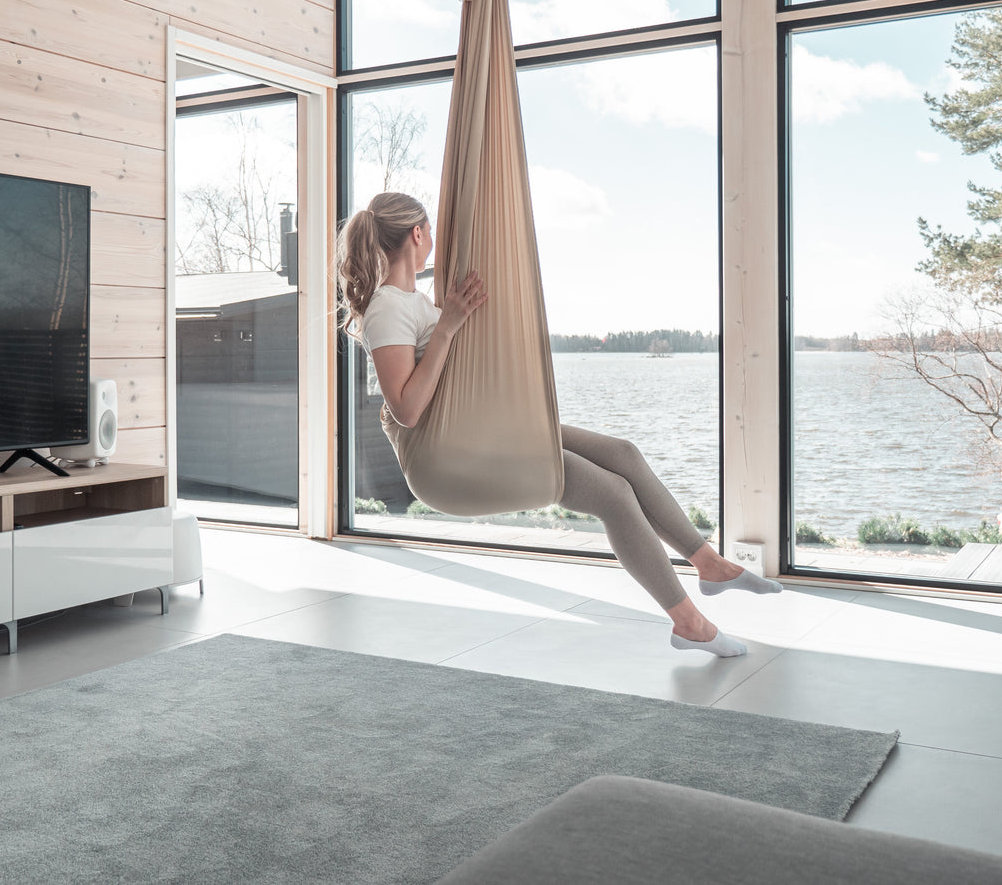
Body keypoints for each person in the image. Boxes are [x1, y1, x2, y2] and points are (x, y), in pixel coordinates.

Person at [334, 191, 781, 658]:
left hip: (476, 431)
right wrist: (448, 326)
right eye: (432, 231)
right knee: (613, 494)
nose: (435, 240)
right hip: (444, 457)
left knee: (623, 454)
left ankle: (708, 564)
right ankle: (688, 623)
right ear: (417, 233)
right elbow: (406, 410)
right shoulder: (388, 306)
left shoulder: (414, 301)